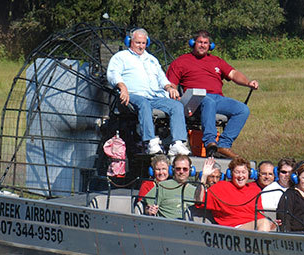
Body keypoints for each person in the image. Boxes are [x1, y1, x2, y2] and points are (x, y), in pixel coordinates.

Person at [166, 30, 258, 159]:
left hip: (217, 98)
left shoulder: (216, 61)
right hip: (195, 99)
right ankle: (210, 141)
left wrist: (248, 83)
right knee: (208, 101)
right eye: (199, 42)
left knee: (242, 109)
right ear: (193, 43)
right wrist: (174, 94)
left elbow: (233, 74)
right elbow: (171, 85)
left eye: (206, 43)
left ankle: (224, 145)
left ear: (210, 46)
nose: (202, 45)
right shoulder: (181, 62)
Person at [107, 28, 190, 156]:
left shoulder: (151, 59)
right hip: (132, 95)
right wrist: (122, 86)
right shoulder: (121, 57)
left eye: (143, 43)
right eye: (138, 43)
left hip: (153, 96)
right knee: (144, 103)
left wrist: (169, 88)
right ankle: (150, 141)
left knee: (176, 105)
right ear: (130, 42)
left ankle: (177, 143)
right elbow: (113, 74)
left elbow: (162, 78)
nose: (141, 46)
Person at [200, 157, 274, 231]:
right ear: (231, 174)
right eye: (237, 172)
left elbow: (260, 216)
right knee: (264, 223)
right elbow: (199, 199)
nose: (240, 176)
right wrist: (204, 176)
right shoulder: (220, 187)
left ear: (250, 174)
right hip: (232, 230)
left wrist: (270, 225)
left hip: (253, 227)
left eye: (244, 172)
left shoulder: (255, 190)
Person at [144, 154, 196, 219]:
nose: (181, 172)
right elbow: (146, 207)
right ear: (172, 170)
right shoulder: (162, 186)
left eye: (185, 169)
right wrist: (149, 210)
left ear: (191, 170)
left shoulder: (196, 191)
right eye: (178, 169)